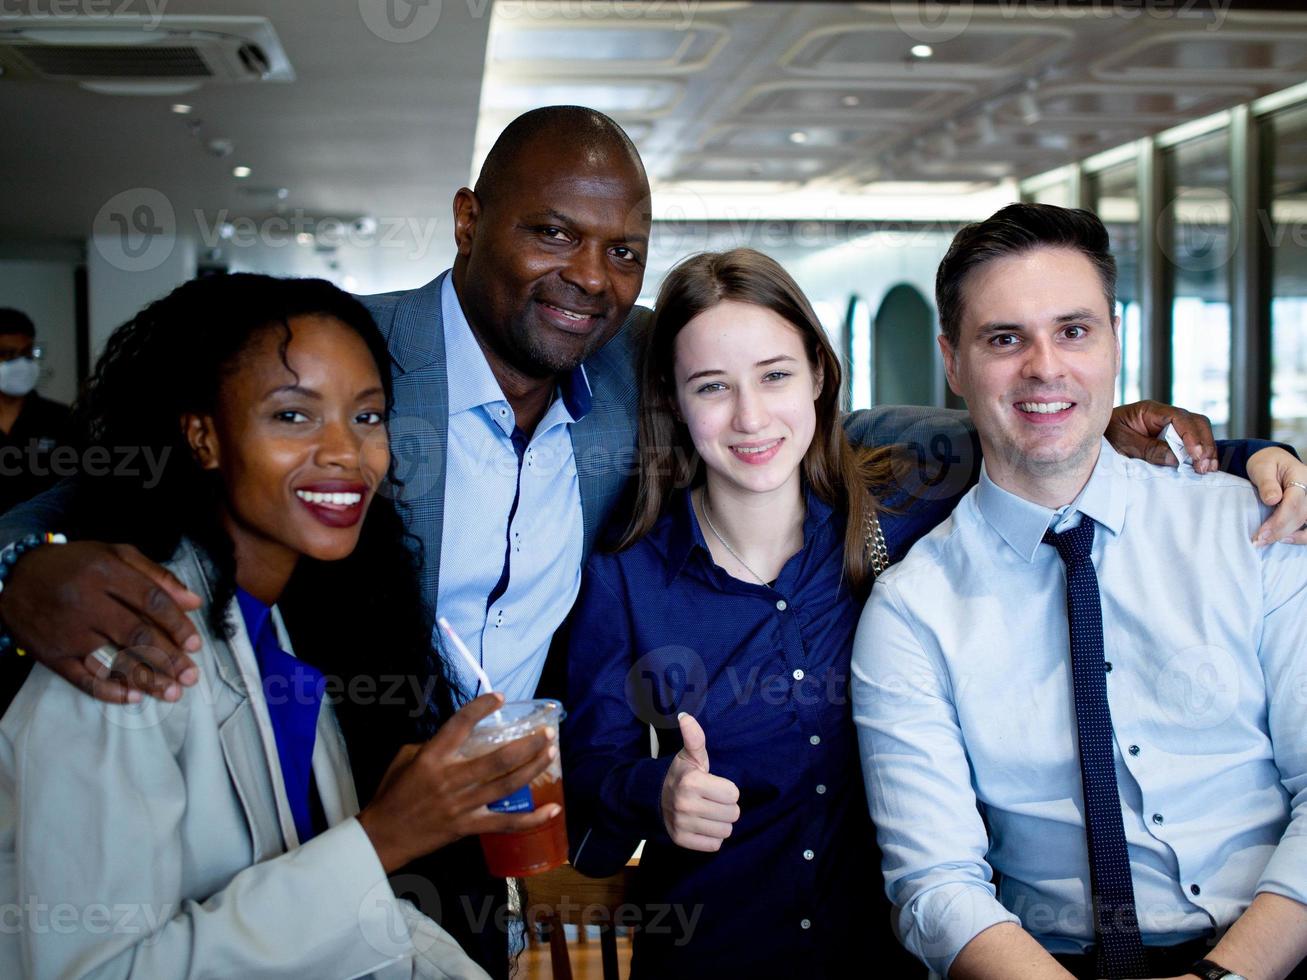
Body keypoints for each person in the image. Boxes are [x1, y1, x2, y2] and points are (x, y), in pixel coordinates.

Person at [0, 107, 1301, 974]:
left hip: (443, 838)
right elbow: (133, 465)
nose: (585, 272)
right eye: (548, 232)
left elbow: (916, 417)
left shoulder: (638, 374)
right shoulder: (358, 356)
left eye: (618, 246)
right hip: (363, 793)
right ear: (466, 221)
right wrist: (20, 563)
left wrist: (1220, 448)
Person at [557, 249, 1301, 978]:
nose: (751, 417)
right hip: (721, 952)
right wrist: (654, 796)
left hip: (891, 958)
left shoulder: (900, 504)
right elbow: (586, 805)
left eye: (775, 375)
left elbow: (1048, 439)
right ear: (673, 398)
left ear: (817, 372)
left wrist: (1255, 461)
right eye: (712, 386)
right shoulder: (626, 578)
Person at [0, 274, 561, 978]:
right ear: (203, 436)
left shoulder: (279, 636)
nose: (345, 454)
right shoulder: (122, 655)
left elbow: (328, 921)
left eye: (367, 416)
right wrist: (383, 837)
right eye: (293, 416)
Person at [852, 204, 1307, 980]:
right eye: (1004, 339)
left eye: (1073, 331)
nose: (1044, 367)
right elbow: (935, 886)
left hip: (1274, 947)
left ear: (1113, 342)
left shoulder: (1253, 532)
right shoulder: (911, 608)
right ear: (952, 363)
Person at [0, 307, 70, 516]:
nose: (21, 364)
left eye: (27, 354)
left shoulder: (60, 418)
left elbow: (74, 488)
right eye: (7, 354)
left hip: (42, 537)